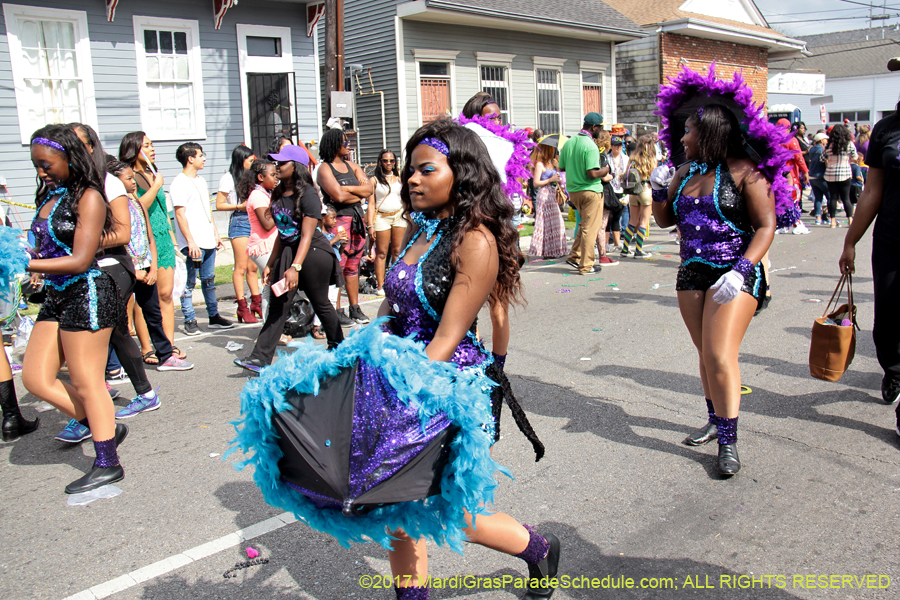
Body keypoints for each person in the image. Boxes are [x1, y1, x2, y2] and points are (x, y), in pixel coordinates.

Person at [653, 99, 780, 477]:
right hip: (691, 273)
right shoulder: (684, 171)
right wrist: (658, 189)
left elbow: (765, 226)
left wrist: (742, 269)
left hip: (734, 273)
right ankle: (714, 421)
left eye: (689, 131)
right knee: (704, 353)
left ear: (708, 134)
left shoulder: (746, 173)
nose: (683, 137)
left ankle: (729, 441)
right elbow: (663, 221)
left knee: (720, 355)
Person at [22, 124, 129, 493]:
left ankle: (107, 462)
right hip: (55, 296)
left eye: (46, 164)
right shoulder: (49, 196)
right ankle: (105, 426)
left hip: (87, 293)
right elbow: (47, 248)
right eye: (36, 165)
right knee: (35, 377)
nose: (41, 172)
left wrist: (25, 263)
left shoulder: (90, 197)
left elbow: (81, 259)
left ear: (69, 157)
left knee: (87, 381)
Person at [234, 148, 343, 373]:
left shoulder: (309, 196)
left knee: (320, 302)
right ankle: (260, 359)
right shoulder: (277, 193)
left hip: (313, 253)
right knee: (278, 306)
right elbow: (283, 234)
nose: (277, 166)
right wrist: (272, 263)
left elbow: (305, 235)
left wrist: (295, 267)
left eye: (282, 163)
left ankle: (338, 348)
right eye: (275, 162)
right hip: (288, 252)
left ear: (296, 166)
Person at [839, 102, 900, 416]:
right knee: (888, 321)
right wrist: (850, 241)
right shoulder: (886, 129)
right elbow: (872, 191)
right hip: (891, 238)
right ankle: (893, 369)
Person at [118, 132, 186, 363]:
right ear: (133, 149)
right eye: (146, 145)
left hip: (163, 238)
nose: (151, 148)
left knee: (166, 295)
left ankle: (168, 345)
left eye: (151, 144)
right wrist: (156, 186)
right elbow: (137, 207)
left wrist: (171, 235)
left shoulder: (151, 172)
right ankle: (147, 346)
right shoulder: (130, 176)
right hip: (144, 239)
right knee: (148, 296)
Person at [170, 142, 234, 334]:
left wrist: (215, 233)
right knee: (189, 282)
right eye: (200, 155)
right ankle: (190, 319)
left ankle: (213, 316)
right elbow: (179, 214)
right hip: (192, 242)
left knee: (209, 279)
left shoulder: (201, 180)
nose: (204, 158)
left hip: (208, 239)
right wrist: (190, 241)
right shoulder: (178, 183)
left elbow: (207, 209)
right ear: (190, 158)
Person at [316, 129, 373, 325]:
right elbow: (338, 198)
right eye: (344, 142)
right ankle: (336, 309)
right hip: (338, 220)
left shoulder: (353, 166)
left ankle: (354, 308)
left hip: (357, 219)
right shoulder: (324, 169)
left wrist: (347, 189)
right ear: (333, 144)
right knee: (338, 265)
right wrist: (357, 192)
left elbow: (369, 189)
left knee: (353, 265)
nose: (347, 145)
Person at [216, 145, 261, 324]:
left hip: (254, 220)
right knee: (241, 267)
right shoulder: (228, 178)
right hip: (240, 220)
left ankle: (256, 303)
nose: (253, 163)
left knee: (253, 267)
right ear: (241, 160)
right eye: (250, 160)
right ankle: (242, 306)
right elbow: (219, 204)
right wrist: (238, 206)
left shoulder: (253, 177)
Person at [560, 112, 609, 274]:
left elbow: (561, 167)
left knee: (583, 225)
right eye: (600, 127)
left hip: (574, 190)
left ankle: (574, 256)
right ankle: (586, 265)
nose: (601, 131)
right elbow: (592, 173)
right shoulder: (590, 145)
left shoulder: (569, 142)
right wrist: (605, 170)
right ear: (594, 127)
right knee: (591, 228)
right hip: (590, 190)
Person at [240, 157, 279, 321]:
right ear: (260, 177)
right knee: (273, 285)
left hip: (270, 245)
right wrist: (283, 210)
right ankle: (269, 327)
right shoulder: (257, 195)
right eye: (273, 175)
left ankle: (270, 325)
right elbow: (267, 224)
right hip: (263, 247)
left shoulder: (265, 193)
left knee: (270, 286)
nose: (276, 178)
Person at [366, 149, 406, 296]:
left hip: (399, 216)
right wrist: (370, 225)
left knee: (397, 251)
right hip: (381, 217)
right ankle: (381, 286)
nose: (389, 163)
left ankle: (397, 284)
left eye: (391, 160)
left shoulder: (400, 178)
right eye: (385, 160)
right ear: (380, 162)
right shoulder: (374, 180)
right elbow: (371, 204)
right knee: (381, 253)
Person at [620, 134, 658, 258]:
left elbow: (626, 173)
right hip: (646, 190)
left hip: (633, 191)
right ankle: (638, 251)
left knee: (633, 220)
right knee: (643, 221)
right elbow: (655, 177)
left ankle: (625, 249)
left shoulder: (632, 158)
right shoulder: (652, 159)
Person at [527, 142, 567, 258]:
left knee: (556, 223)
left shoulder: (551, 163)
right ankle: (547, 251)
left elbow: (557, 177)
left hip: (552, 194)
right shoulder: (540, 164)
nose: (553, 152)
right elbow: (536, 183)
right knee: (546, 223)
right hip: (544, 194)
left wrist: (557, 171)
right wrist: (550, 179)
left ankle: (555, 249)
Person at [822, 124, 859, 228]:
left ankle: (833, 221)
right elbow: (855, 156)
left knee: (833, 197)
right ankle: (850, 219)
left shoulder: (828, 145)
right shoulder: (849, 144)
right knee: (846, 198)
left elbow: (822, 158)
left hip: (830, 173)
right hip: (845, 173)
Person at [606, 135, 628, 251]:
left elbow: (629, 174)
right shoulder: (607, 158)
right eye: (615, 145)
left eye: (619, 145)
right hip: (610, 189)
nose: (617, 148)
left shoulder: (625, 158)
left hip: (621, 189)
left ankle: (617, 242)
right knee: (609, 217)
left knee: (618, 216)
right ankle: (605, 242)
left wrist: (624, 176)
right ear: (611, 146)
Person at [808, 132, 830, 225]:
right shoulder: (823, 149)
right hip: (821, 175)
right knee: (830, 196)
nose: (827, 141)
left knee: (818, 198)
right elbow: (826, 162)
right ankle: (828, 216)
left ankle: (818, 217)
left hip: (812, 175)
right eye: (825, 139)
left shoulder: (811, 149)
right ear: (821, 140)